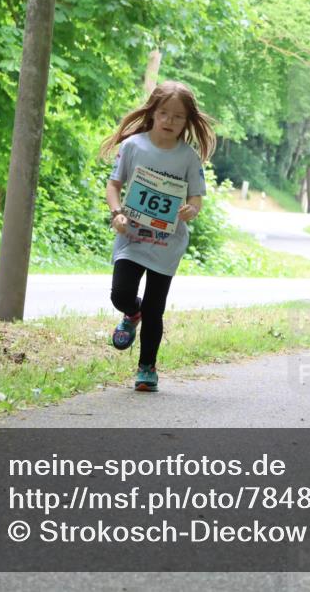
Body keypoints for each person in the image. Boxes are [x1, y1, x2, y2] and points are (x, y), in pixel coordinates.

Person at [101, 81, 215, 392]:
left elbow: (196, 197)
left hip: (166, 243)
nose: (169, 121)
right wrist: (117, 213)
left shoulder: (188, 157)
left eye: (178, 117)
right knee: (120, 294)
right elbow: (114, 185)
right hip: (131, 236)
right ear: (152, 113)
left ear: (187, 122)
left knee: (156, 308)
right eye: (163, 113)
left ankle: (147, 368)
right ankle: (130, 311)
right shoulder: (133, 146)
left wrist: (191, 209)